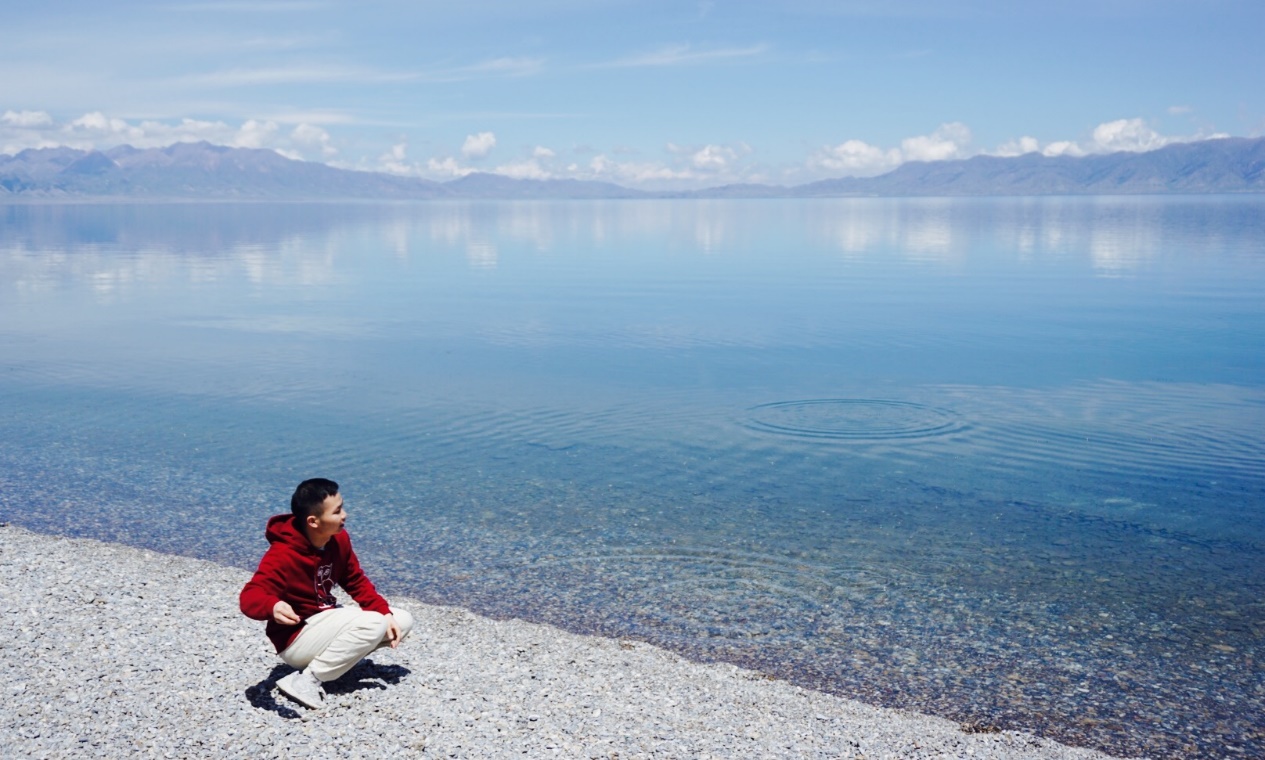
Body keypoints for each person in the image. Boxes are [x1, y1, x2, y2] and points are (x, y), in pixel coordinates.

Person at [240, 478, 413, 709]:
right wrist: (272, 606)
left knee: (401, 621)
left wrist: (384, 611)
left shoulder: (338, 540)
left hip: (323, 620)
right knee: (373, 623)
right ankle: (306, 680)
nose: (345, 515)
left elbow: (355, 580)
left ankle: (330, 664)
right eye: (338, 511)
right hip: (296, 638)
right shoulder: (282, 554)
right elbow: (250, 595)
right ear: (313, 521)